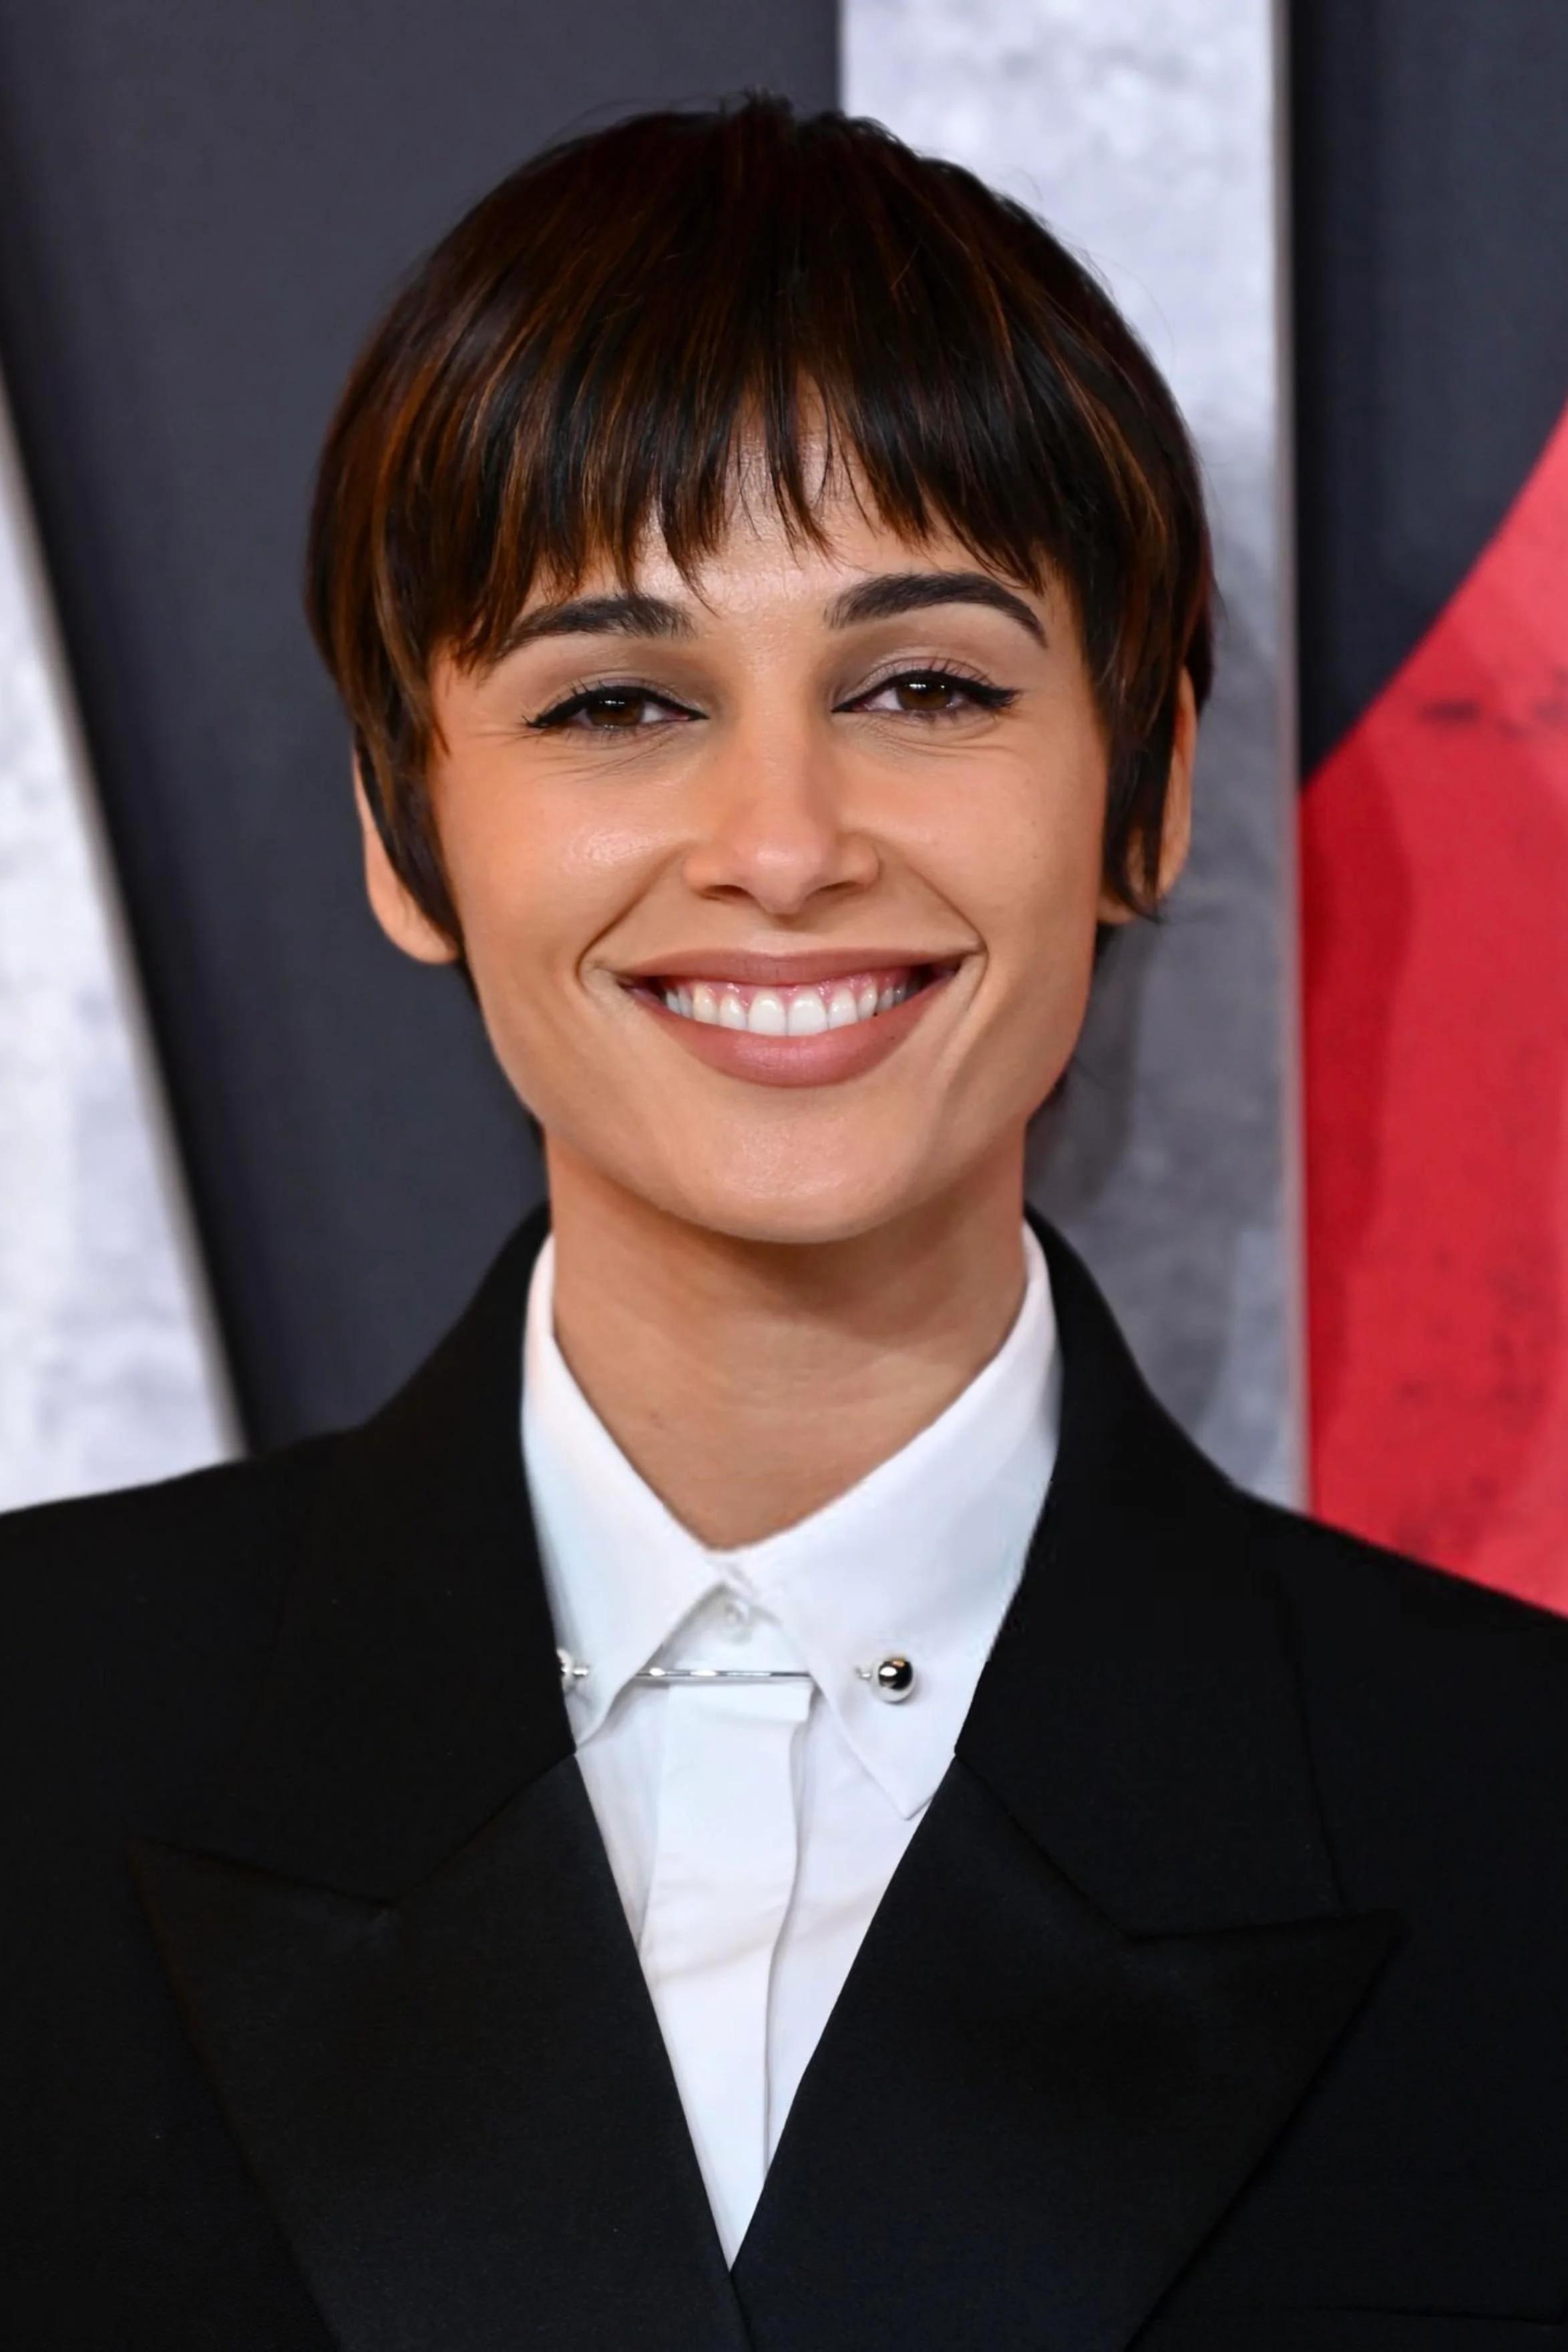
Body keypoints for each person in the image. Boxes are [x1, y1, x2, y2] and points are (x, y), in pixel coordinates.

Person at [4, 94, 1567, 2352]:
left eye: (923, 686)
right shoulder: (37, 1732)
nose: (781, 840)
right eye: (616, 701)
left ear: (1139, 792)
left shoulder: (1514, 1821)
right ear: (404, 825)